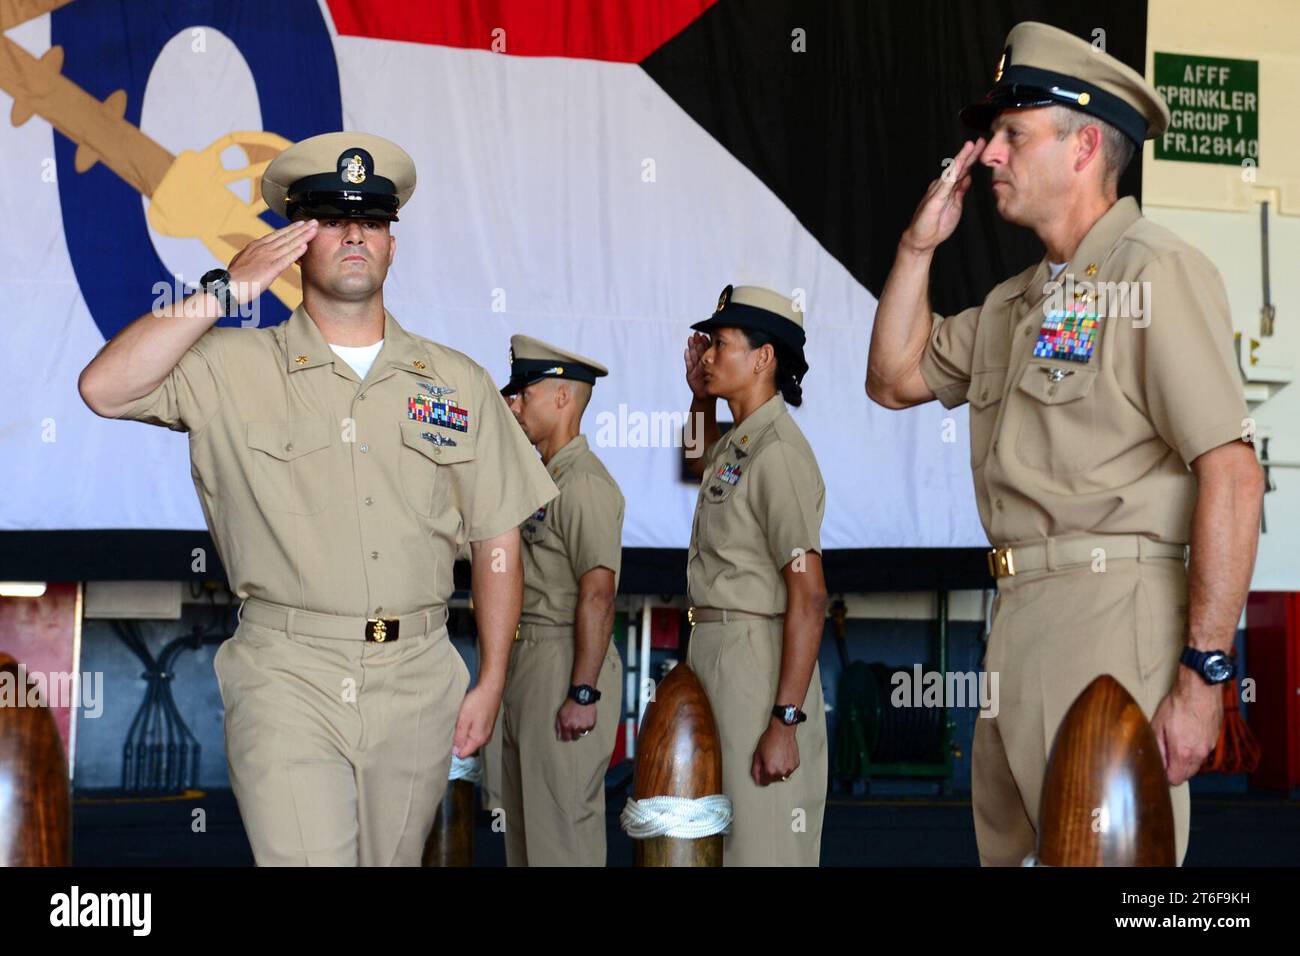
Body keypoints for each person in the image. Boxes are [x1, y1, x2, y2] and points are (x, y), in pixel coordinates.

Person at [77, 131, 557, 866]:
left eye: (372, 220)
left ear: (393, 245)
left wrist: (491, 677)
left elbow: (497, 539)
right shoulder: (232, 364)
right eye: (332, 219)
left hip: (419, 675)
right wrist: (224, 291)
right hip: (286, 673)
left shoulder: (455, 382)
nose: (355, 234)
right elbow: (104, 389)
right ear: (298, 242)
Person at [865, 22, 1265, 865]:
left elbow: (1231, 473)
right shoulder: (1018, 302)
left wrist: (1204, 675)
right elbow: (894, 377)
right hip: (1015, 621)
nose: (989, 154)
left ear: (1085, 146)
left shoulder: (1153, 272)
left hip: (1114, 619)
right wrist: (917, 246)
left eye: (1013, 134)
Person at [683, 284, 829, 866]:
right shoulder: (739, 444)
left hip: (758, 663)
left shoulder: (779, 454)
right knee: (719, 842)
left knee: (762, 846)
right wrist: (698, 398)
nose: (708, 355)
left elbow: (811, 597)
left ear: (764, 358)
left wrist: (785, 721)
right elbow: (698, 462)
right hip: (719, 654)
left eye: (720, 344)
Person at [498, 335, 624, 866]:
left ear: (563, 398)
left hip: (565, 662)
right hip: (531, 661)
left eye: (524, 391)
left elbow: (597, 593)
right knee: (528, 840)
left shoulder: (585, 484)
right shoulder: (545, 480)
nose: (513, 403)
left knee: (562, 839)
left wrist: (584, 692)